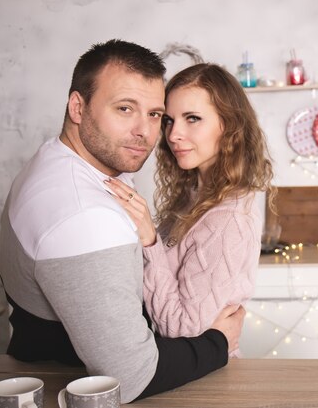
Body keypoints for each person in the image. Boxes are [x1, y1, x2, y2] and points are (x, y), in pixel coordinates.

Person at [0, 39, 245, 404]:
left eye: (154, 114)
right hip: (62, 382)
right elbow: (129, 377)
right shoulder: (85, 215)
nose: (145, 132)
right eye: (125, 108)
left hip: (46, 362)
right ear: (77, 107)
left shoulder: (64, 161)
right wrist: (219, 342)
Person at [105, 63, 274, 343]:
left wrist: (149, 241)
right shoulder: (196, 197)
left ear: (229, 126)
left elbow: (182, 330)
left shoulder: (227, 219)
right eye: (169, 120)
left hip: (204, 383)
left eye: (192, 118)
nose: (172, 135)